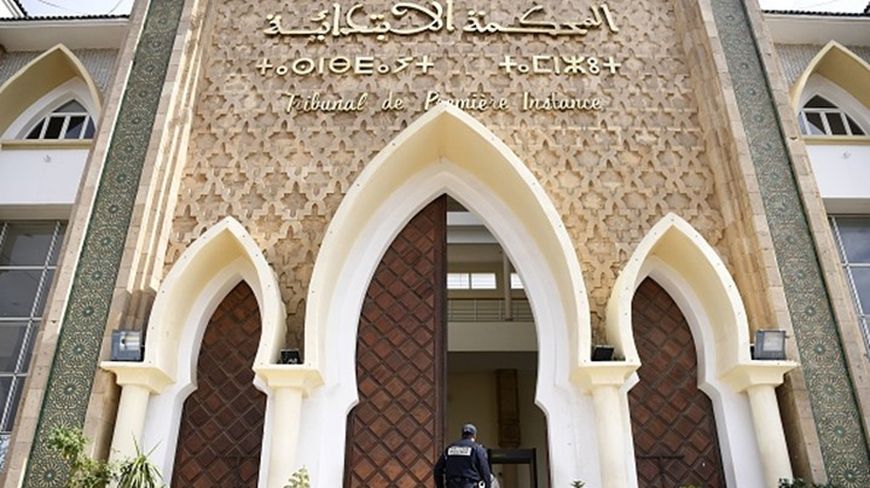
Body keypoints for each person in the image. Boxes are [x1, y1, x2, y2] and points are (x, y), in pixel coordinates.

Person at [434, 424, 493, 488]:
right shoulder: (477, 449)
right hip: (469, 485)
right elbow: (485, 471)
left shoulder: (450, 448)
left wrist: (440, 486)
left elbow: (438, 469)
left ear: (462, 434)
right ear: (474, 435)